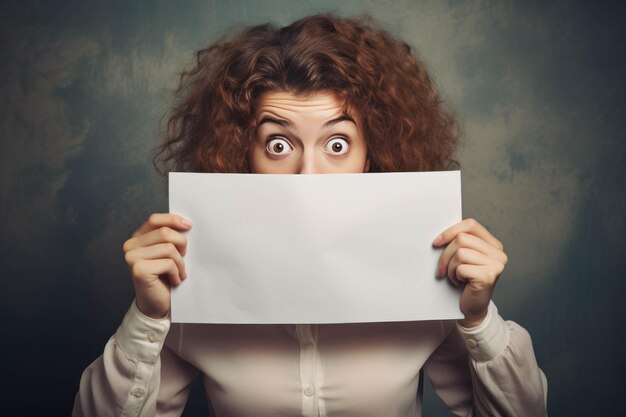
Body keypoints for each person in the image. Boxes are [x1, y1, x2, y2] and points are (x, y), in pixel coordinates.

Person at [72, 14, 548, 417]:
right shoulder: (192, 283)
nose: (308, 175)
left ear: (371, 154)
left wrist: (480, 319)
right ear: (242, 154)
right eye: (278, 145)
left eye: (337, 144)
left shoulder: (430, 275)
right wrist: (148, 316)